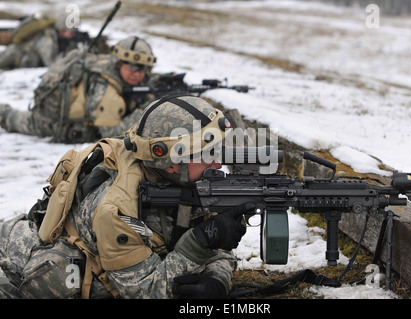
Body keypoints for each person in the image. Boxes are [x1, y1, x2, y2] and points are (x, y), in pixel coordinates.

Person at [0, 95, 254, 299]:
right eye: (206, 154)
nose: (219, 162)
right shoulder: (117, 208)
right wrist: (199, 244)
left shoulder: (186, 178)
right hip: (16, 270)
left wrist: (217, 279)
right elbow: (146, 291)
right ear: (171, 163)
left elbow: (217, 248)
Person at [0, 36, 158, 143]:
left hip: (81, 116)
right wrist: (143, 111)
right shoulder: (106, 91)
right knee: (11, 118)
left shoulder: (116, 69)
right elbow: (111, 135)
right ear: (118, 63)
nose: (138, 74)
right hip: (53, 123)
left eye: (143, 69)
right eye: (132, 67)